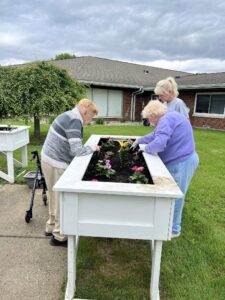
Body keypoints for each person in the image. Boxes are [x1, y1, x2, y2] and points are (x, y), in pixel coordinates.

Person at [131, 100, 199, 238]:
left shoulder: (165, 120)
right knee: (172, 193)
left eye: (149, 119)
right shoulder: (170, 116)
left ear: (154, 115)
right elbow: (155, 135)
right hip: (184, 158)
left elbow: (159, 144)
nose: (150, 122)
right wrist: (140, 140)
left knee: (176, 195)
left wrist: (145, 150)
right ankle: (166, 221)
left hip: (182, 161)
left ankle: (174, 229)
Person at [41, 98, 100, 246]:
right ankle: (59, 236)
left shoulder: (68, 115)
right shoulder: (75, 120)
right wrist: (93, 148)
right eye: (90, 117)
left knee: (53, 195)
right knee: (62, 199)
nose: (89, 121)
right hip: (56, 163)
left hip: (48, 159)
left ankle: (51, 226)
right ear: (85, 111)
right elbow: (76, 150)